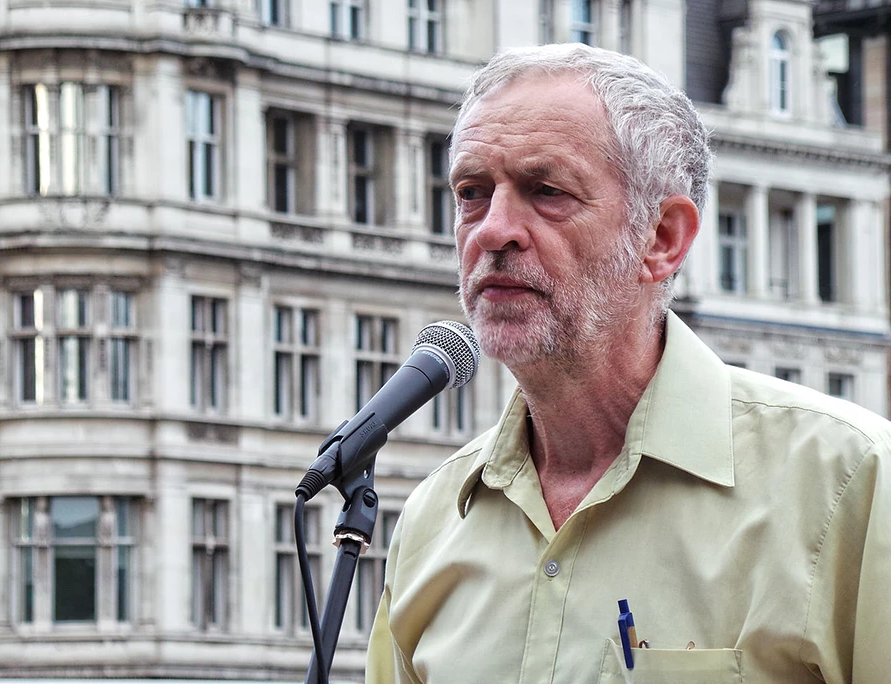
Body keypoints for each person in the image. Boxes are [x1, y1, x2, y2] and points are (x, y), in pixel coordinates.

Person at [365, 43, 891, 683]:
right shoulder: (431, 520)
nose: (492, 230)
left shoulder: (851, 482)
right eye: (472, 193)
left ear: (663, 238)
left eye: (546, 191)